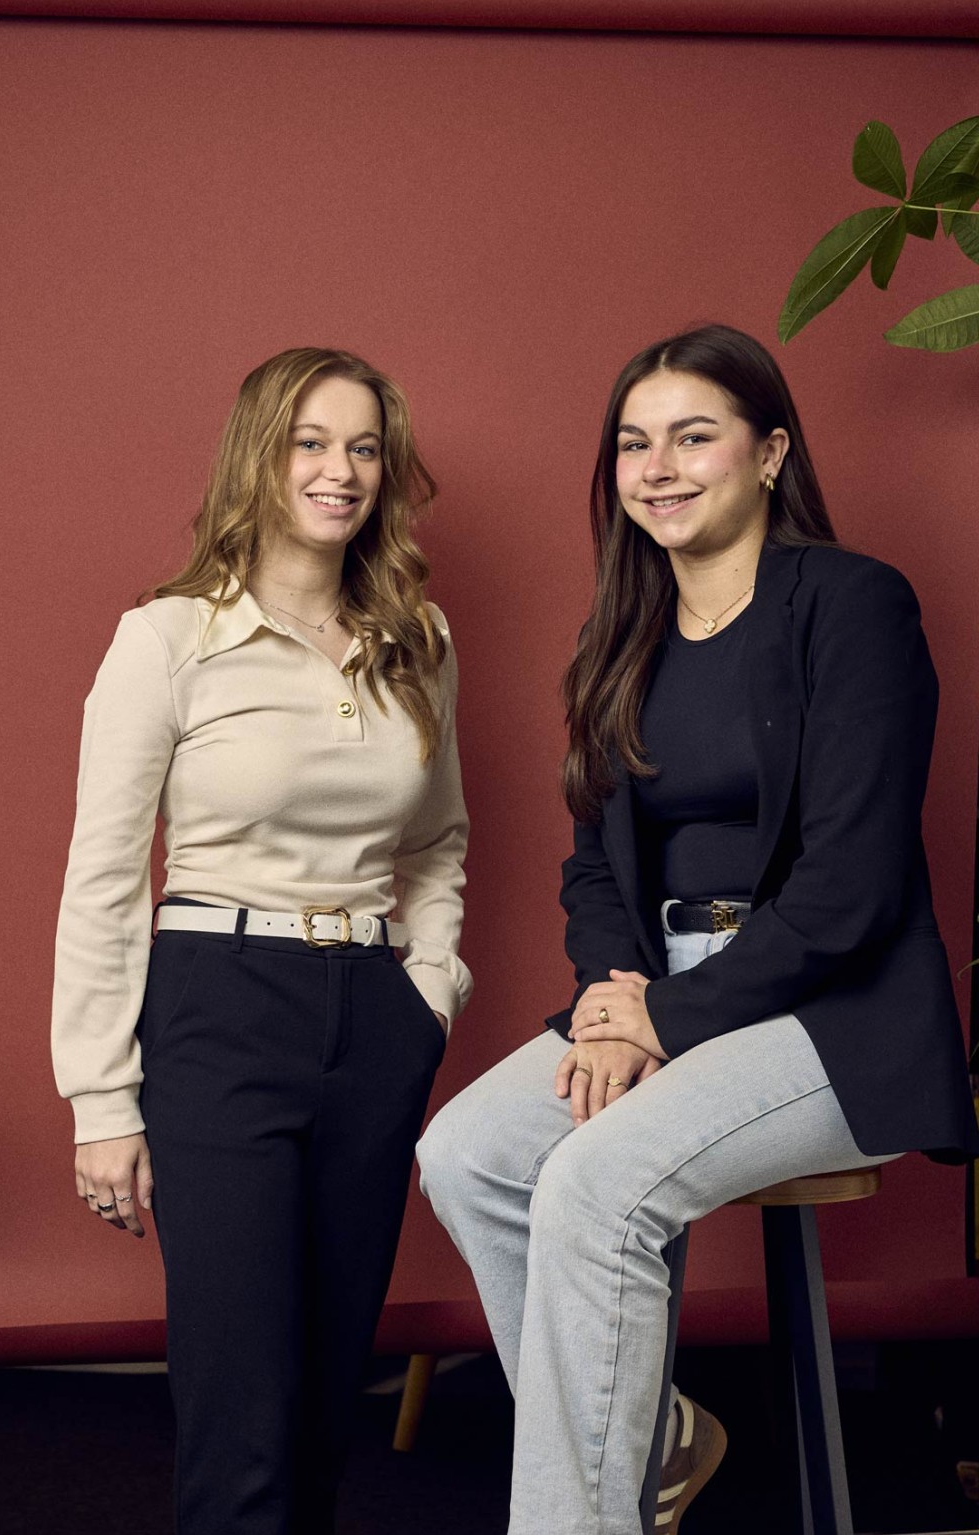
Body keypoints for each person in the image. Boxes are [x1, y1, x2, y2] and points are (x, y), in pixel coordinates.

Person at [417, 324, 978, 1535]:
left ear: (769, 453)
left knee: (593, 1179)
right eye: (634, 443)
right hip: (658, 982)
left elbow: (852, 885)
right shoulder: (618, 634)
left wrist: (661, 1018)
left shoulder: (853, 604)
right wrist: (615, 996)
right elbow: (593, 864)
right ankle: (655, 1435)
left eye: (692, 436)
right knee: (468, 1152)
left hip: (832, 1009)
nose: (658, 467)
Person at [51, 347, 471, 1535]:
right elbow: (103, 877)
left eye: (364, 447)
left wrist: (428, 991)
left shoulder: (419, 638)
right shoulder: (167, 638)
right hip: (218, 1001)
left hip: (373, 1013)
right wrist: (100, 1098)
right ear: (257, 456)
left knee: (328, 1393)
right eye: (310, 442)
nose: (340, 470)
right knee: (242, 1397)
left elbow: (438, 841)